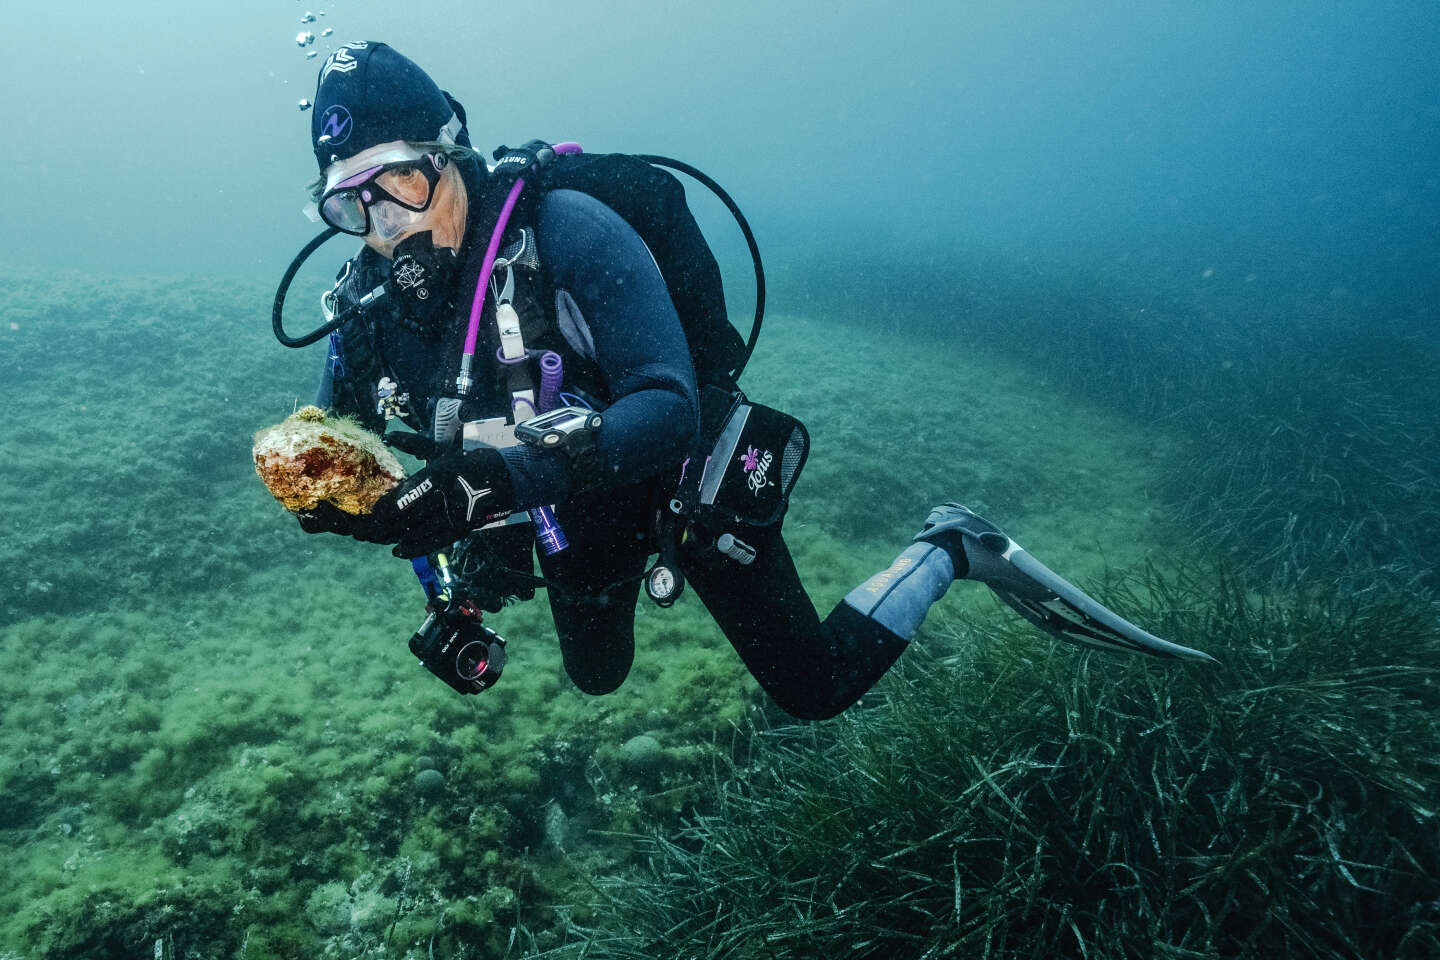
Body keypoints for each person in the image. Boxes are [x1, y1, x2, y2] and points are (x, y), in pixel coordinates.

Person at [289, 42, 1211, 722]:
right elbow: (355, 448)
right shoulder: (366, 306)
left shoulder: (566, 231)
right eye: (350, 202)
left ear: (448, 153)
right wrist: (365, 513)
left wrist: (487, 481)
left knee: (811, 687)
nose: (383, 225)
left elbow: (667, 404)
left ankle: (954, 548)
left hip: (678, 480)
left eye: (399, 182)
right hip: (568, 514)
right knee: (598, 676)